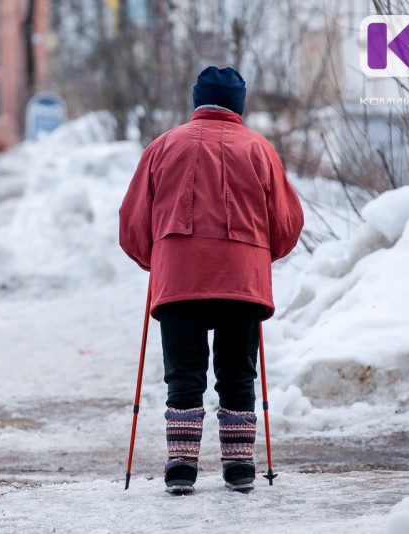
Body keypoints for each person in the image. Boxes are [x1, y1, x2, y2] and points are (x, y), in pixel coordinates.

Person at [119, 66, 304, 494]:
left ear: (196, 101)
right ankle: (239, 468)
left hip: (179, 278)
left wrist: (158, 260)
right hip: (242, 281)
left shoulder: (162, 147)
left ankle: (181, 468)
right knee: (238, 373)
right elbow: (287, 224)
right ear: (239, 105)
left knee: (183, 375)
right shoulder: (260, 150)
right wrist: (257, 255)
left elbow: (132, 224)